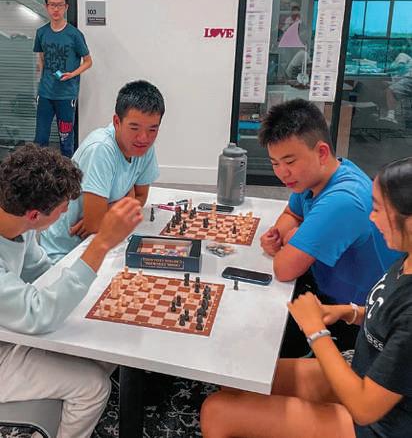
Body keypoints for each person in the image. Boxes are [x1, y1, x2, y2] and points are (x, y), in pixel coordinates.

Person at [201, 156, 412, 438]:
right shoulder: (406, 260)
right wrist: (349, 312)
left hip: (380, 423)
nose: (371, 218)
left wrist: (316, 331)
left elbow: (364, 409)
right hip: (366, 373)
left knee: (216, 411)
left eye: (378, 210)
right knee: (239, 381)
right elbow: (388, 316)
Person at [0, 144, 143, 438]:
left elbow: (43, 271)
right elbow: (36, 314)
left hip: (8, 334)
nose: (67, 211)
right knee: (93, 387)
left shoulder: (18, 226)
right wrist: (100, 244)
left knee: (105, 349)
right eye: (63, 207)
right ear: (34, 215)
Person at [259, 99, 400, 356]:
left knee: (261, 345)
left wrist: (290, 240)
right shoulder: (316, 176)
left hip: (359, 321)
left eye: (290, 161)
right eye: (275, 163)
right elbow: (292, 213)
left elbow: (284, 269)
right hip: (327, 288)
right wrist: (282, 236)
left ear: (322, 152)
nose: (282, 173)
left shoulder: (343, 200)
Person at [40, 79, 164, 263]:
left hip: (95, 242)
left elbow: (140, 197)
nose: (143, 138)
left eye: (152, 129)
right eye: (134, 128)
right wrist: (125, 200)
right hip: (64, 252)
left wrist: (114, 207)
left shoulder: (144, 148)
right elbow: (94, 225)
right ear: (117, 121)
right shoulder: (101, 149)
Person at [34, 0, 92, 157]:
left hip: (66, 95)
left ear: (66, 7)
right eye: (52, 5)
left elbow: (88, 61)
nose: (56, 9)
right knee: (40, 140)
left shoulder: (74, 34)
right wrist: (38, 85)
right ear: (46, 6)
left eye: (59, 5)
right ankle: (38, 172)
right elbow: (41, 59)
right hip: (45, 94)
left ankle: (67, 172)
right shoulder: (41, 32)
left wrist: (72, 74)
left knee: (66, 140)